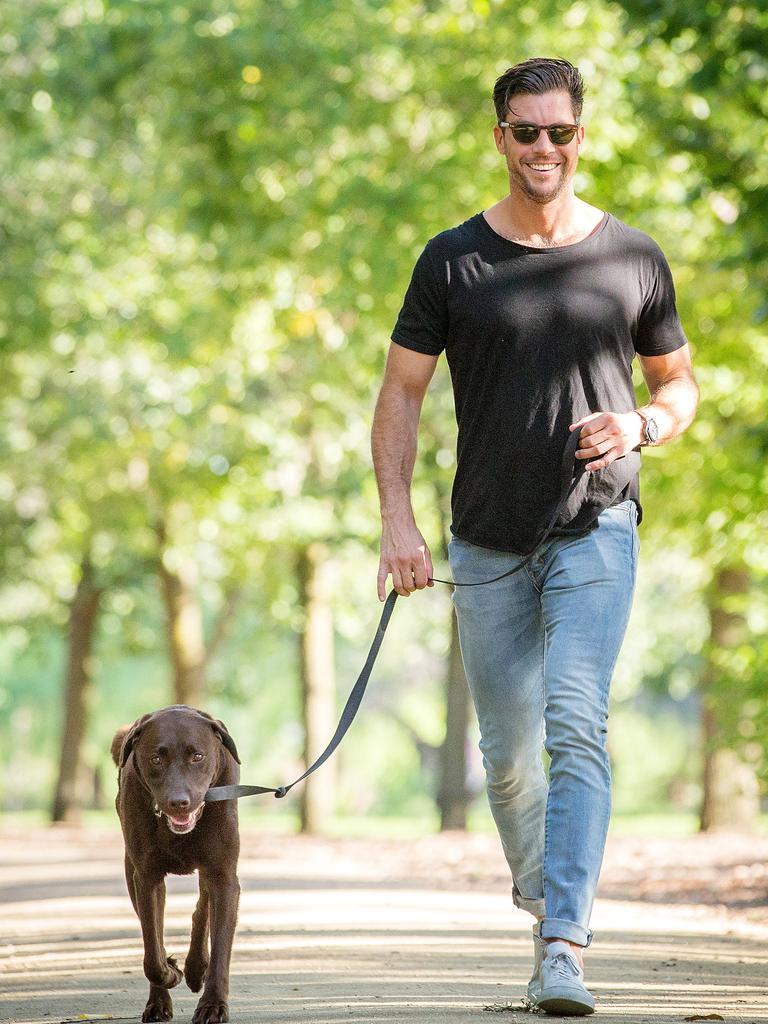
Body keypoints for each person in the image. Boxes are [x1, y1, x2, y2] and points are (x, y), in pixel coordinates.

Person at [371, 57, 698, 1015]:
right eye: (526, 132)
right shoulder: (452, 260)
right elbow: (399, 394)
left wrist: (640, 425)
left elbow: (678, 384)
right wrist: (399, 524)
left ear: (581, 135)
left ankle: (563, 943)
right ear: (501, 137)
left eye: (560, 132)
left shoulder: (632, 257)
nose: (543, 149)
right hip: (484, 539)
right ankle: (543, 888)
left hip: (596, 528)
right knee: (506, 752)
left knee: (575, 719)